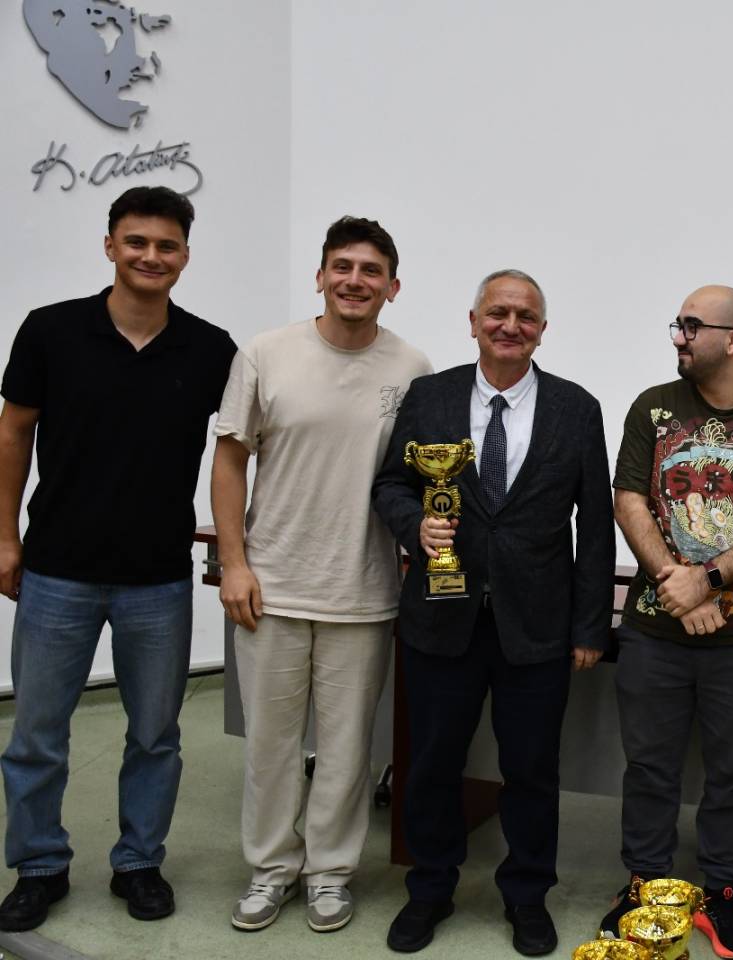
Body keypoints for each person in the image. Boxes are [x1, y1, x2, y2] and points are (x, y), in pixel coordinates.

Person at [0, 186, 236, 931]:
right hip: (56, 572)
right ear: (110, 246)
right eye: (136, 242)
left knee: (155, 735)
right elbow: (13, 434)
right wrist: (4, 538)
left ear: (185, 256)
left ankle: (138, 862)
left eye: (167, 246)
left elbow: (238, 452)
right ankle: (39, 865)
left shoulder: (211, 349)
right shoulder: (50, 330)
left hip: (158, 580)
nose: (150, 256)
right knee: (37, 734)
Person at [372, 269, 614, 955]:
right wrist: (414, 524)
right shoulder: (430, 396)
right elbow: (390, 483)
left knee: (532, 769)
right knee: (432, 764)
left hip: (537, 627)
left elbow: (595, 525)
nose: (511, 326)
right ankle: (430, 888)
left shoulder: (576, 408)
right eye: (498, 313)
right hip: (439, 619)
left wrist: (590, 626)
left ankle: (527, 894)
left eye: (526, 317)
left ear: (542, 330)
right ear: (473, 321)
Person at [211, 216, 432, 934]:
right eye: (342, 266)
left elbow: (419, 481)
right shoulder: (265, 354)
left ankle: (330, 874)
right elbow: (229, 460)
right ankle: (271, 870)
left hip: (363, 591)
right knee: (271, 746)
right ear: (320, 276)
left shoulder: (413, 369)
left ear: (392, 287)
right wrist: (234, 564)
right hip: (270, 588)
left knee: (345, 749)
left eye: (371, 271)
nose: (354, 281)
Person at [599, 285, 733, 959]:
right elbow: (628, 500)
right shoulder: (652, 408)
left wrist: (709, 580)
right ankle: (645, 883)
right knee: (649, 765)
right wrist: (679, 585)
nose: (679, 337)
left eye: (692, 326)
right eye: (679, 324)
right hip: (654, 627)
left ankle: (721, 891)